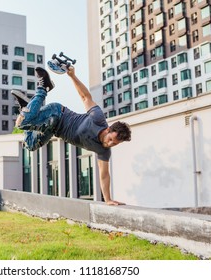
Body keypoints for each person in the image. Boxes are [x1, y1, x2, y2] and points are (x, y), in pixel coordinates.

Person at [11, 66, 131, 205]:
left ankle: (26, 107)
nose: (109, 144)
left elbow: (104, 174)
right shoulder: (98, 119)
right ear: (108, 129)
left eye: (114, 144)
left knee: (30, 145)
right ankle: (43, 86)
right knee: (21, 123)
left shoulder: (103, 151)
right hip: (57, 113)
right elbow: (85, 97)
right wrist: (72, 76)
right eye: (111, 139)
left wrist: (108, 199)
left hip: (52, 129)